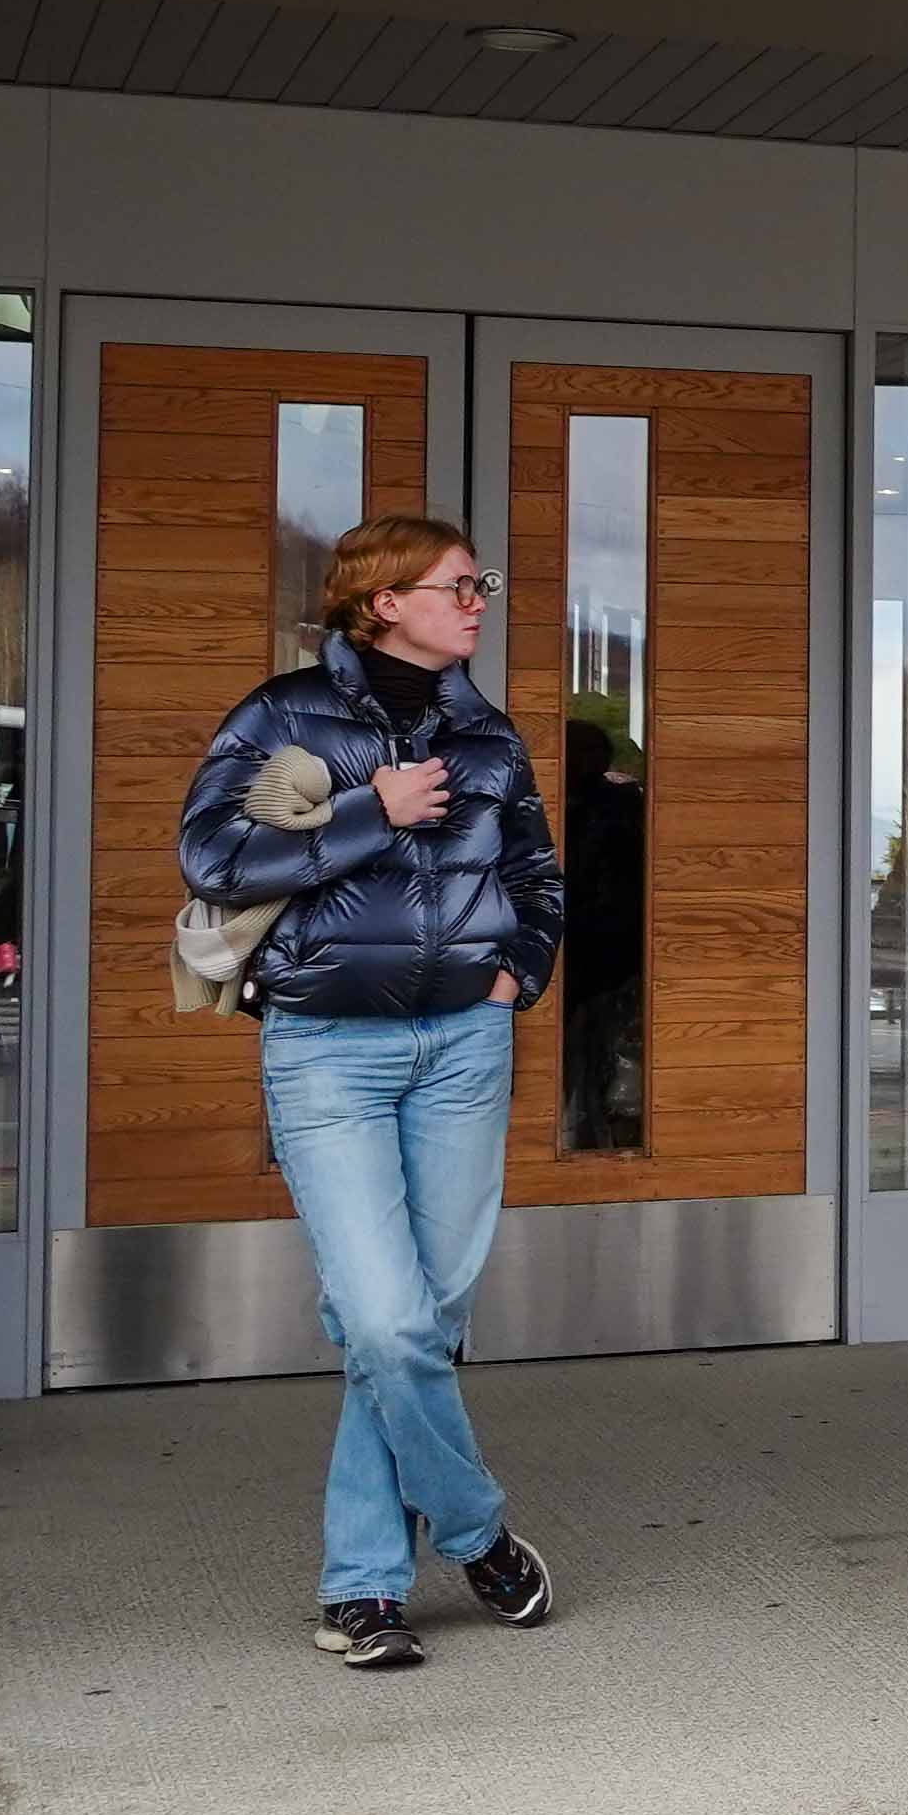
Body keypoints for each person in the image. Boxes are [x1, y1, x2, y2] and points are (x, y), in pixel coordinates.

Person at [178, 515, 569, 1673]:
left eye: (482, 584)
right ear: (384, 599)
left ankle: (363, 1589)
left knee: (415, 1327)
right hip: (327, 1051)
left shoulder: (487, 731)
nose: (479, 599)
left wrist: (517, 971)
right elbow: (211, 858)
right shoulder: (281, 714)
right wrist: (372, 811)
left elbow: (536, 872)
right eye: (459, 584)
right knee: (389, 1322)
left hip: (463, 1045)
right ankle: (476, 1531)